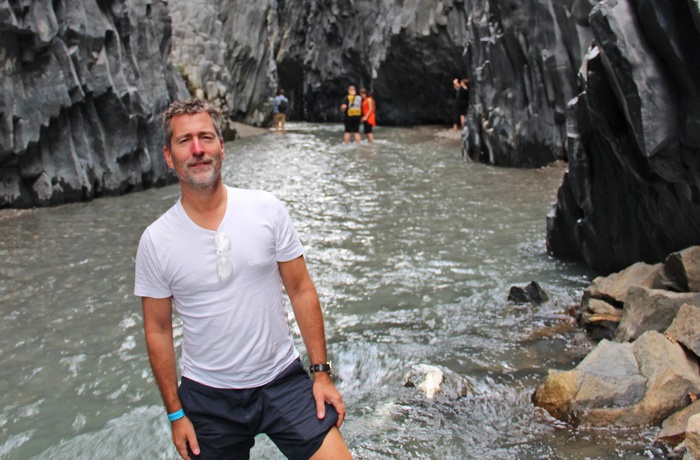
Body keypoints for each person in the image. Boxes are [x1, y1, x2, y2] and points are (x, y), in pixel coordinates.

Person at [134, 98, 352, 460]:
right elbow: (157, 330)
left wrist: (321, 374)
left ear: (222, 146)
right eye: (185, 141)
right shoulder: (156, 241)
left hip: (282, 379)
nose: (198, 149)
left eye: (206, 137)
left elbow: (300, 289)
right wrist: (175, 413)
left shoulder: (266, 209)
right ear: (169, 156)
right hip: (208, 397)